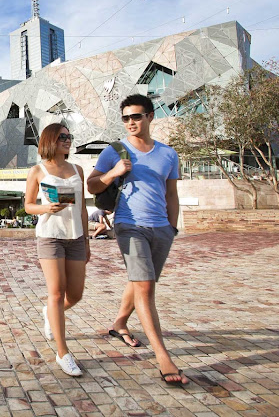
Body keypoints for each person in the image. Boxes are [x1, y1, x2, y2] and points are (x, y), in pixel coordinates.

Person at [87, 93, 187, 386]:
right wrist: (114, 173)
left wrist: (172, 227)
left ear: (150, 117)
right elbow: (92, 184)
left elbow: (171, 194)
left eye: (136, 116)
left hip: (161, 228)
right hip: (129, 225)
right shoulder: (114, 151)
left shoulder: (168, 154)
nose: (131, 122)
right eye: (126, 118)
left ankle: (119, 323)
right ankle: (163, 356)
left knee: (142, 280)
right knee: (144, 286)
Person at [24, 123, 89, 377]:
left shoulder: (78, 170)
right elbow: (28, 205)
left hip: (75, 238)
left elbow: (82, 208)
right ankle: (63, 353)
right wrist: (45, 208)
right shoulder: (37, 171)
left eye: (69, 136)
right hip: (50, 237)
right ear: (50, 140)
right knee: (56, 291)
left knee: (75, 294)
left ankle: (49, 313)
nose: (68, 140)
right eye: (62, 136)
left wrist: (86, 241)